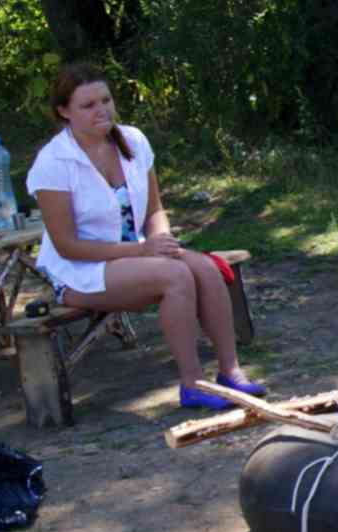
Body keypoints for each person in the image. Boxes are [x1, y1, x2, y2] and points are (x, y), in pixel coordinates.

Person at [26, 63, 264, 411]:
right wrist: (143, 251)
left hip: (138, 255)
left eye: (105, 100)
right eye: (88, 105)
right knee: (176, 275)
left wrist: (162, 241)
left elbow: (154, 210)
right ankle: (192, 383)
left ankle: (231, 373)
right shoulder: (53, 162)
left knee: (207, 268)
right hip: (80, 271)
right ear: (64, 112)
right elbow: (67, 245)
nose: (101, 110)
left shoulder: (133, 140)